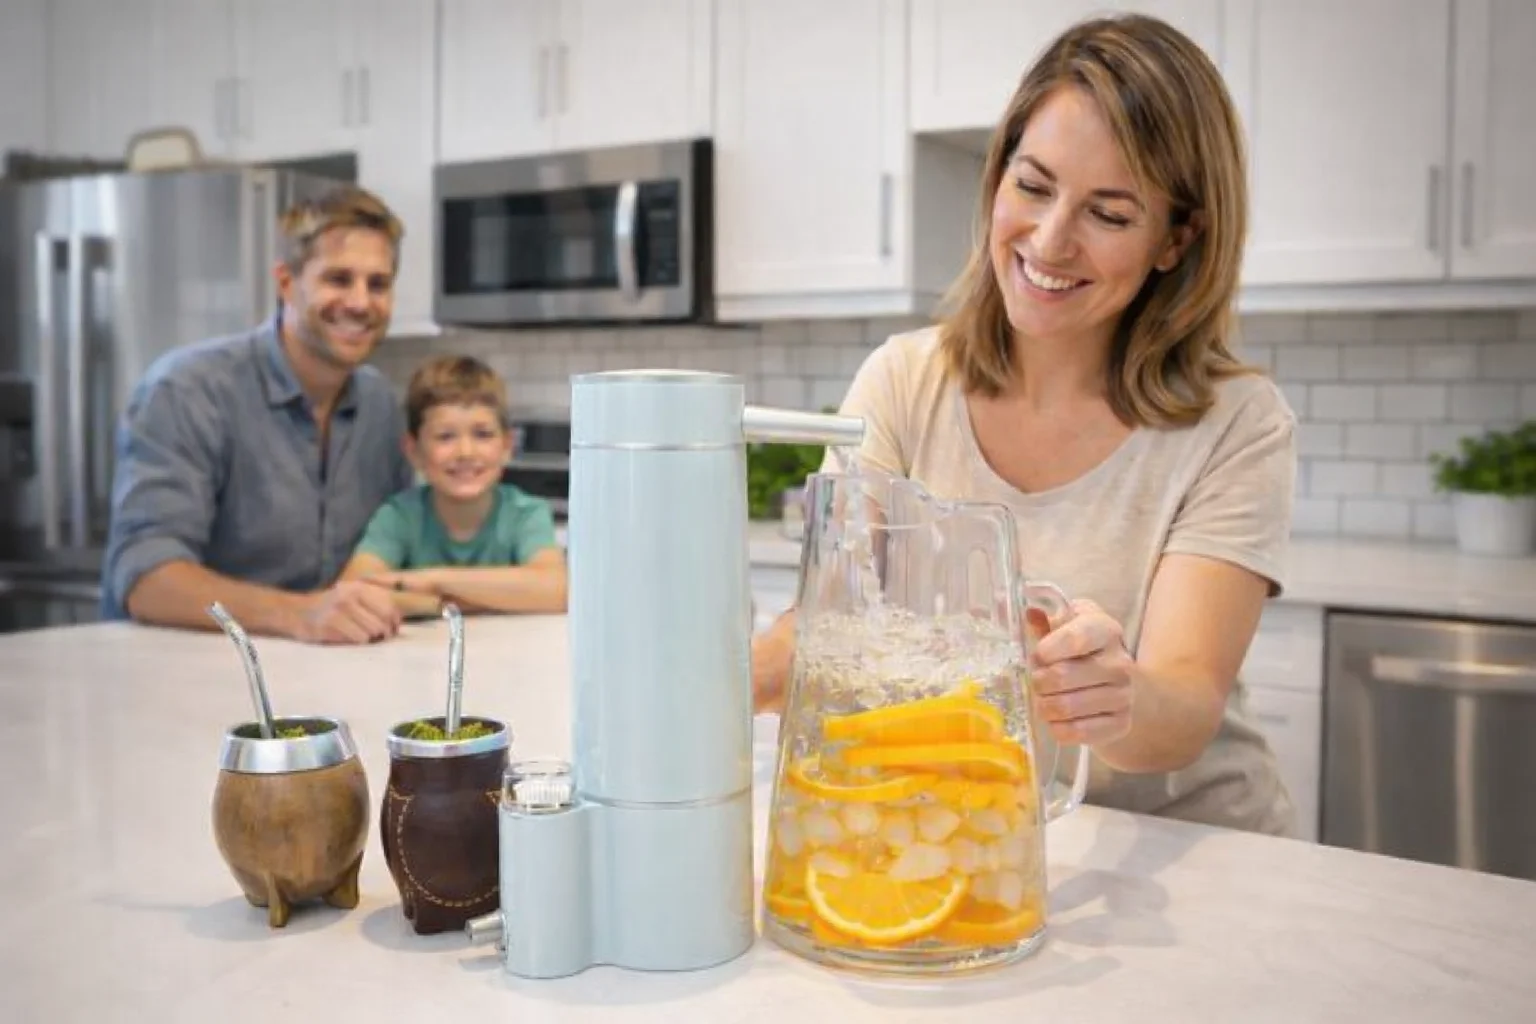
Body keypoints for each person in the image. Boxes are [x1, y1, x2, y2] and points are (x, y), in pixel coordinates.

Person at [751, 14, 1299, 836]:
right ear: (999, 174)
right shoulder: (902, 382)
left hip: (1190, 847)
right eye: (1034, 187)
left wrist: (1116, 694)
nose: (1049, 241)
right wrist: (720, 682)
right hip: (975, 830)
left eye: (1109, 214)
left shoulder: (1237, 424)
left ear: (1175, 240)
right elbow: (830, 624)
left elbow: (1186, 705)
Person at [101, 184, 416, 645]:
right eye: (338, 279)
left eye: (378, 284)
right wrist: (301, 615)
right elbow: (146, 579)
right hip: (185, 671)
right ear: (286, 282)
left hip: (326, 672)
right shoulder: (188, 390)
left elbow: (407, 541)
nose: (360, 302)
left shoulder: (379, 405)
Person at [339, 354, 568, 616]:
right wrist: (463, 602)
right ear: (414, 451)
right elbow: (354, 592)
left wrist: (432, 581)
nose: (465, 452)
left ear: (507, 446)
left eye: (482, 434)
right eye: (445, 436)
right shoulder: (399, 516)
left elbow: (558, 590)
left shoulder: (525, 514)